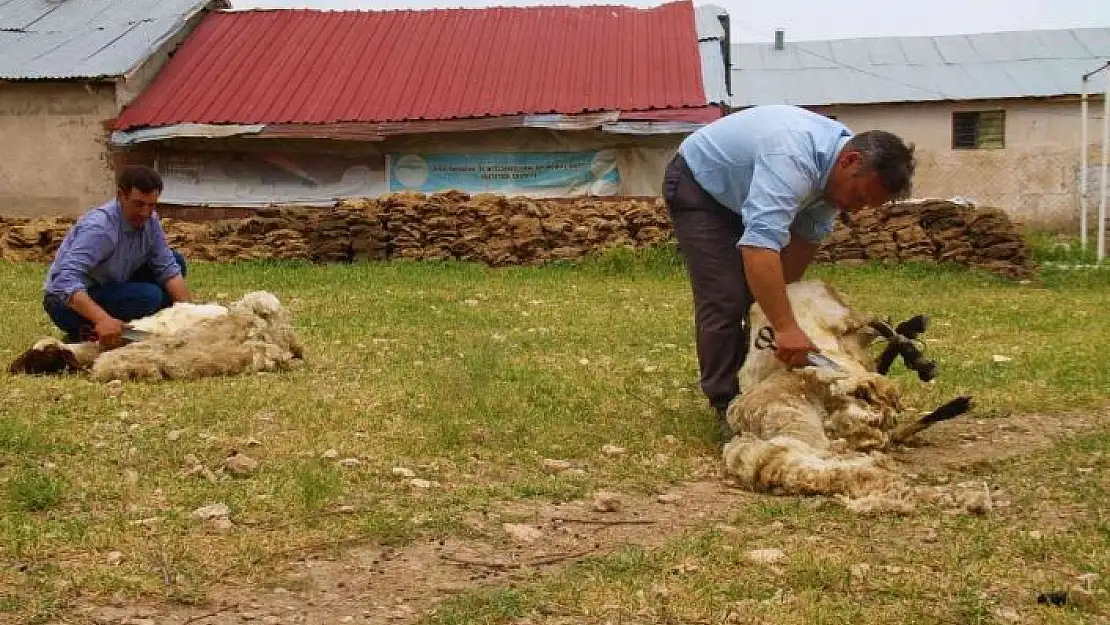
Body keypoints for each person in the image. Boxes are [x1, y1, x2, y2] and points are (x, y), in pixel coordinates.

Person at [662, 104, 916, 439]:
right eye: (859, 196)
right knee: (726, 296)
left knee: (759, 299)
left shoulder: (832, 186)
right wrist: (784, 326)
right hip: (700, 186)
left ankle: (755, 381)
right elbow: (759, 246)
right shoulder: (792, 156)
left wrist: (779, 313)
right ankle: (727, 403)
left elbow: (800, 246)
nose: (856, 208)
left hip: (742, 191)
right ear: (849, 161)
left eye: (866, 205)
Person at [43, 165, 191, 349]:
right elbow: (64, 281)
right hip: (66, 304)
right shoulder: (100, 228)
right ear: (121, 195)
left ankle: (137, 330)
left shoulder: (150, 221)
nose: (145, 212)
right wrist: (103, 319)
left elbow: (168, 268)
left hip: (111, 286)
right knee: (149, 296)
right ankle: (93, 331)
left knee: (177, 262)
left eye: (151, 205)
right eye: (138, 204)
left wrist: (189, 316)